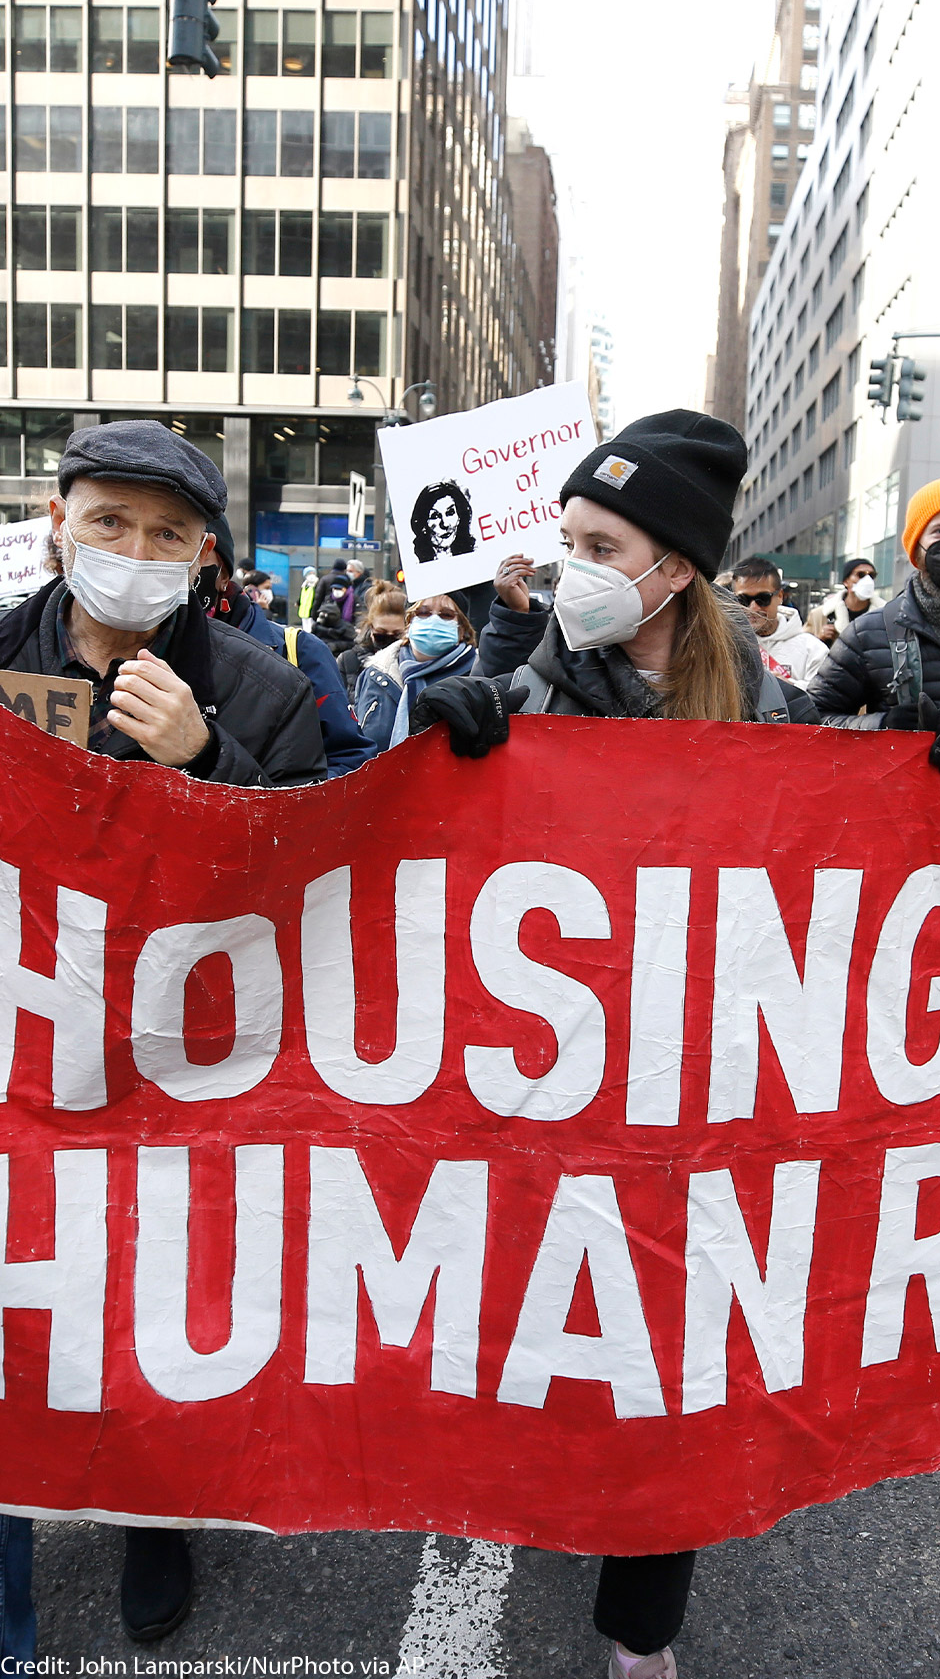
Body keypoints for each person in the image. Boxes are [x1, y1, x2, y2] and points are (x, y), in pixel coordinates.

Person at [407, 409, 818, 1679]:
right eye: (568, 536)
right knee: (542, 1328)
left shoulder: (774, 716)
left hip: (700, 1112)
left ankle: (642, 1637)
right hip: (546, 1096)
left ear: (674, 568)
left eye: (601, 542)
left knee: (671, 1374)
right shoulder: (526, 686)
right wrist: (445, 746)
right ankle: (525, 1490)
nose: (571, 561)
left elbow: (849, 875)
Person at [0, 420, 326, 1658]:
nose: (132, 551)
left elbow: (309, 874)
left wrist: (207, 758)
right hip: (22, 1041)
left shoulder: (265, 686)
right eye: (108, 523)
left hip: (172, 1055)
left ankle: (153, 1506)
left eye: (164, 535)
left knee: (147, 1292)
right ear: (58, 519)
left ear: (199, 557)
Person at [810, 476, 940, 776]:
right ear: (916, 547)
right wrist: (882, 725)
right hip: (900, 810)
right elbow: (813, 717)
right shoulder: (869, 633)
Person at [197, 514, 376, 778]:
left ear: (223, 574)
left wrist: (291, 803)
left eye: (195, 551)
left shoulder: (299, 651)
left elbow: (351, 759)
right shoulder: (125, 649)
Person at [355, 590, 478, 752]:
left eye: (446, 615)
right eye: (423, 613)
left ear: (462, 628)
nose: (433, 620)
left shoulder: (477, 674)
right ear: (409, 622)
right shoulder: (375, 674)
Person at [730, 555, 829, 687]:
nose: (753, 608)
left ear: (780, 596)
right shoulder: (726, 647)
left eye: (763, 598)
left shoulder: (813, 649)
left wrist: (788, 688)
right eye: (743, 599)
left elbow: (824, 698)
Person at [337, 579, 408, 703]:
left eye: (397, 635)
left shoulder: (414, 665)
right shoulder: (348, 661)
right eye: (381, 634)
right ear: (371, 628)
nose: (389, 639)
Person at [818, 556, 884, 641]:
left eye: (871, 575)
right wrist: (819, 638)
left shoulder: (884, 614)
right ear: (846, 581)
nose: (867, 580)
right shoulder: (822, 614)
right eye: (861, 575)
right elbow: (804, 647)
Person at [410, 480, 477, 562]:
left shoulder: (474, 554)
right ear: (422, 522)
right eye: (435, 516)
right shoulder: (414, 561)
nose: (445, 524)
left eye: (450, 513)